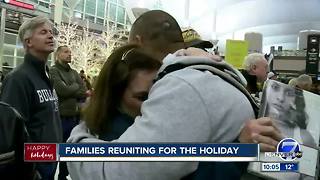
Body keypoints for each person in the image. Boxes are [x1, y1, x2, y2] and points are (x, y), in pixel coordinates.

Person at [67, 10, 281, 180]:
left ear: (138, 43)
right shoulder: (205, 76)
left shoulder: (180, 85)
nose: (151, 105)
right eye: (143, 97)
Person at [0, 16, 62, 180]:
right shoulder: (17, 79)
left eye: (51, 32)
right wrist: (32, 172)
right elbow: (10, 136)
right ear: (28, 42)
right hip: (33, 169)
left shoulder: (46, 75)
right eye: (43, 32)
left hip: (49, 160)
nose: (50, 36)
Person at [84, 44, 161, 140]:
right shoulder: (119, 138)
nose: (156, 101)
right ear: (115, 96)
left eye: (159, 92)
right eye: (143, 97)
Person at [50, 45, 87, 180]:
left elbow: (83, 90)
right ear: (58, 55)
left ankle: (63, 175)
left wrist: (72, 89)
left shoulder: (74, 72)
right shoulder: (54, 71)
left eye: (70, 52)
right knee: (56, 149)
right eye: (66, 52)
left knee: (69, 150)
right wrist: (76, 87)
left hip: (73, 117)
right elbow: (61, 91)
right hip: (59, 117)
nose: (69, 54)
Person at [264, 80, 316, 148]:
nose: (281, 98)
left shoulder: (304, 137)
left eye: (289, 93)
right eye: (275, 88)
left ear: (295, 100)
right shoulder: (253, 121)